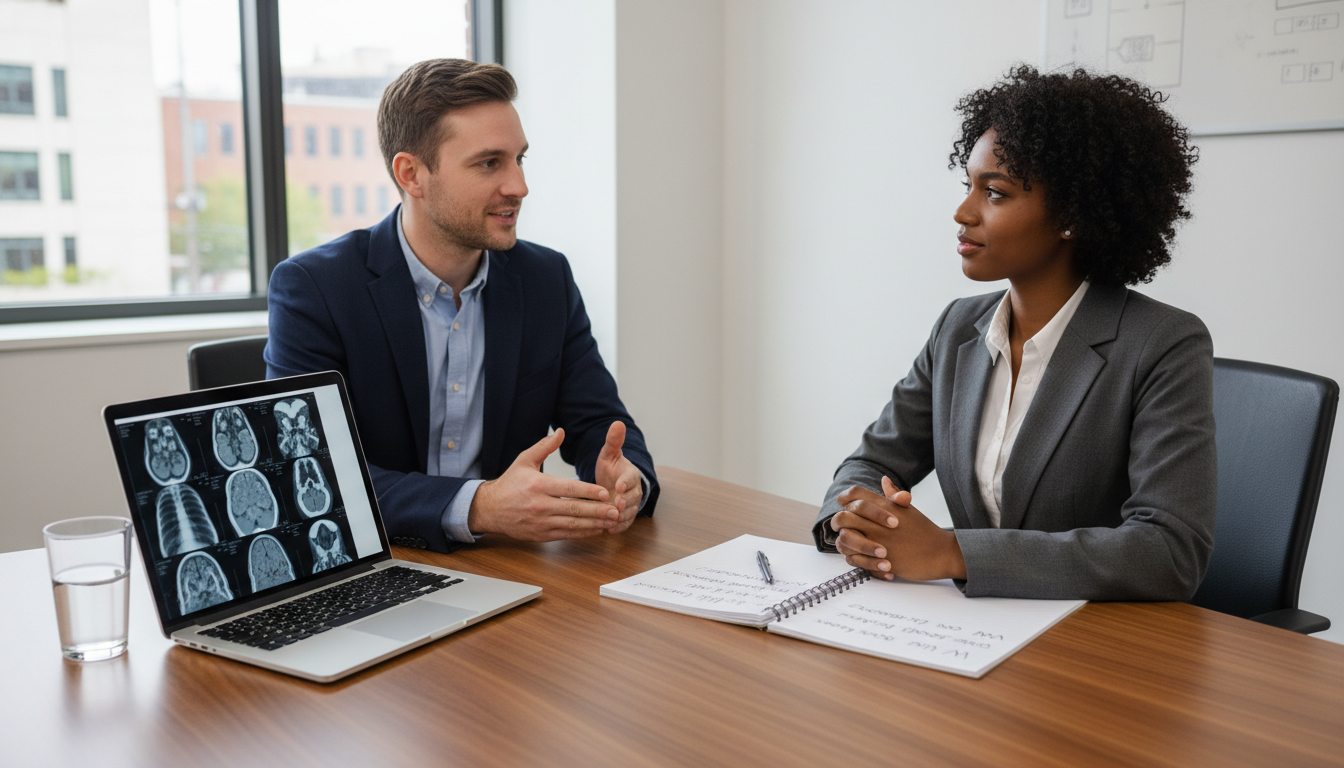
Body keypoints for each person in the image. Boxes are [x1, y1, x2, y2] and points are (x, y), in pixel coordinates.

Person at [815, 65, 1213, 601]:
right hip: (970, 633)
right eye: (968, 186)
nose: (963, 212)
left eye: (995, 193)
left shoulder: (1163, 344)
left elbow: (1168, 551)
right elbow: (872, 462)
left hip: (1091, 645)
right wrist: (859, 520)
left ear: (1071, 213)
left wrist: (952, 551)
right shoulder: (958, 328)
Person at [266, 59, 659, 554]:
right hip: (378, 566)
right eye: (489, 163)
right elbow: (310, 475)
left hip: (510, 569)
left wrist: (627, 478)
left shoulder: (545, 279)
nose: (518, 186)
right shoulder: (314, 288)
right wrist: (479, 505)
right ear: (412, 174)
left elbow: (599, 422)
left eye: (520, 159)